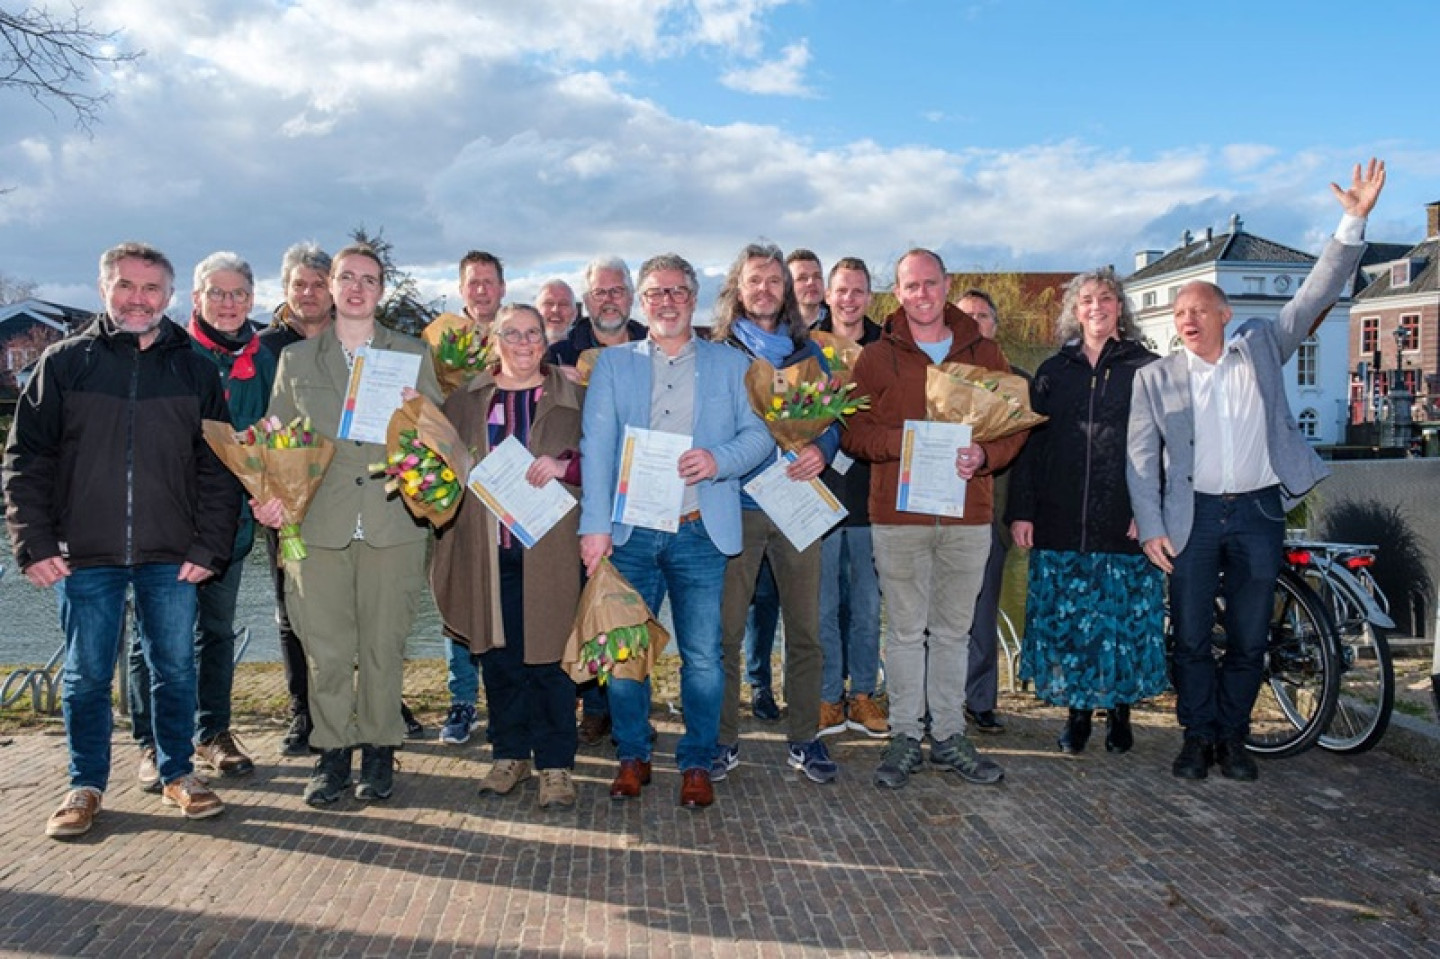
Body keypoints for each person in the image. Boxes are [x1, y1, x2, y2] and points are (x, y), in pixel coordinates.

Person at [1128, 159, 1386, 782]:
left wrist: (1352, 220)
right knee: (1190, 637)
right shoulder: (1155, 379)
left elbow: (1317, 292)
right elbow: (1140, 460)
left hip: (1257, 512)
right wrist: (1151, 523)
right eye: (1178, 315)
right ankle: (1196, 737)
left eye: (1197, 310)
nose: (1185, 321)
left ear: (1222, 314)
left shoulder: (1264, 350)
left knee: (1249, 637)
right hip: (1191, 518)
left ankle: (1233, 739)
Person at [4, 241, 241, 838]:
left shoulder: (193, 369)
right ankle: (84, 784)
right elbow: (27, 458)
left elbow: (217, 467)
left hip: (171, 551)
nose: (139, 299)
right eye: (127, 286)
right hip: (83, 553)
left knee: (175, 669)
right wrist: (33, 542)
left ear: (169, 294)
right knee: (86, 676)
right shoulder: (64, 364)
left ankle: (177, 773)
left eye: (152, 288)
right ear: (105, 288)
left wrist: (207, 546)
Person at [580, 253, 772, 810]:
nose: (667, 302)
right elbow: (596, 452)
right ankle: (633, 755)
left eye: (678, 292)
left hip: (698, 530)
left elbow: (759, 437)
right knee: (625, 654)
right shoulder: (613, 366)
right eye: (656, 293)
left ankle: (696, 761)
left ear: (695, 298)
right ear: (642, 303)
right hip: (630, 532)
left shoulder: (730, 365)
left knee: (705, 658)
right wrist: (594, 529)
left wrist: (718, 460)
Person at [257, 243, 442, 806]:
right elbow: (278, 445)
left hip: (394, 522)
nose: (357, 288)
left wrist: (420, 420)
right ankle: (332, 753)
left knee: (384, 646)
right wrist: (268, 496)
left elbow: (438, 445)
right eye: (346, 278)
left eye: (369, 278)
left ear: (381, 290)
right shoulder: (297, 360)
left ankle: (380, 749)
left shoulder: (412, 354)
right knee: (326, 651)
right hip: (318, 526)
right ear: (330, 287)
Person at [844, 248, 1027, 790]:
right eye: (910, 286)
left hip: (968, 516)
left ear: (947, 285)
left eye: (930, 283)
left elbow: (1013, 427)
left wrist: (985, 457)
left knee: (953, 632)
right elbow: (851, 432)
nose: (921, 294)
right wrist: (899, 442)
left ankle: (948, 736)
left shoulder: (986, 352)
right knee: (903, 632)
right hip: (898, 516)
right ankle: (904, 736)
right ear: (896, 293)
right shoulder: (876, 358)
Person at [127, 252, 276, 787]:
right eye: (217, 293)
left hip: (229, 525)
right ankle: (151, 743)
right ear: (196, 299)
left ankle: (214, 732)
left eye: (238, 294)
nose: (229, 303)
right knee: (151, 638)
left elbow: (274, 436)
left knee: (214, 632)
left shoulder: (264, 361)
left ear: (251, 300)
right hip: (166, 524)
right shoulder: (163, 349)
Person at [1007, 270, 1165, 755]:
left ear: (1120, 308)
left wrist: (1151, 511)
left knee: (1120, 628)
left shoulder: (1150, 369)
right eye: (1087, 300)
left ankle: (1120, 714)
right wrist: (1021, 511)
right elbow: (1032, 446)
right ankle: (1076, 715)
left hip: (1124, 521)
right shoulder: (1054, 372)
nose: (1096, 307)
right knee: (1072, 626)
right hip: (1060, 521)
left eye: (1106, 299)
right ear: (1075, 312)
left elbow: (1167, 447)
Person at [432, 304, 584, 808]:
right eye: (512, 333)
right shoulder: (466, 400)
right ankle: (510, 754)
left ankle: (556, 766)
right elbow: (442, 465)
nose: (523, 343)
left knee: (551, 661)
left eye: (533, 333)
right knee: (498, 658)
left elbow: (603, 460)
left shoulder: (575, 397)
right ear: (495, 340)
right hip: (487, 550)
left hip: (553, 551)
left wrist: (566, 465)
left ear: (546, 340)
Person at [713, 242, 840, 784]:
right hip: (734, 506)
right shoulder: (718, 353)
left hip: (793, 505)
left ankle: (804, 739)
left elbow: (833, 420)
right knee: (724, 635)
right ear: (737, 290)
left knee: (806, 630)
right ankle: (721, 741)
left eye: (773, 281)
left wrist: (822, 449)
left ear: (786, 291)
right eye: (753, 280)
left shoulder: (808, 353)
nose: (764, 289)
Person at [545, 256, 648, 746]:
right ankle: (593, 703)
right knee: (582, 601)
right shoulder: (560, 350)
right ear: (587, 301)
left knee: (628, 605)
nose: (609, 299)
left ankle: (628, 704)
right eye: (600, 292)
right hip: (578, 494)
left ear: (630, 296)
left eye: (617, 290)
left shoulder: (655, 342)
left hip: (644, 492)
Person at [422, 251, 505, 747]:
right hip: (455, 485)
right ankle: (460, 701)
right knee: (454, 591)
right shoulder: (437, 343)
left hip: (507, 485)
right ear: (461, 289)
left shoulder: (517, 333)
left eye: (489, 282)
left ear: (501, 286)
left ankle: (501, 700)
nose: (481, 291)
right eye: (473, 283)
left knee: (501, 597)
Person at [259, 241, 334, 754]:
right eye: (299, 284)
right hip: (282, 498)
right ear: (285, 290)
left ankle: (380, 704)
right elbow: (253, 421)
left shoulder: (356, 340)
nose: (308, 293)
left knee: (355, 605)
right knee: (293, 611)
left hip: (349, 492)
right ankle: (302, 713)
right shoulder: (264, 348)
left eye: (318, 284)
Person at [814, 257, 886, 738]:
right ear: (826, 294)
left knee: (866, 606)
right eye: (841, 290)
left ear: (869, 297)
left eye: (858, 291)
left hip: (871, 496)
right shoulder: (807, 348)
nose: (848, 299)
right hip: (816, 497)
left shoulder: (887, 349)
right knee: (819, 607)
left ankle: (862, 694)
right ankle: (824, 698)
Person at [958, 289, 1013, 735]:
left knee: (983, 613)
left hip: (992, 514)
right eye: (965, 317)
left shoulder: (1019, 383)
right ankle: (928, 699)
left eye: (982, 316)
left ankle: (980, 700)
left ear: (995, 325)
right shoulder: (931, 380)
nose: (974, 323)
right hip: (933, 514)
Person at [787, 248, 829, 329]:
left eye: (817, 276)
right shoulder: (772, 328)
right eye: (802, 278)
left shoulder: (840, 325)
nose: (811, 282)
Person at [536, 279, 577, 345]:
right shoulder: (518, 349)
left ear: (575, 313)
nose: (555, 310)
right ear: (536, 311)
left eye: (563, 304)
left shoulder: (591, 352)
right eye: (549, 303)